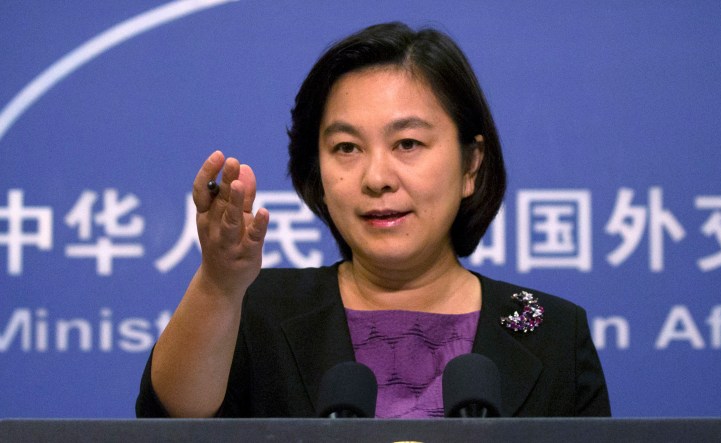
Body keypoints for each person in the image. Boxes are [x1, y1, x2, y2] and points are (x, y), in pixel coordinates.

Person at [136, 22, 610, 418]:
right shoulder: (256, 309)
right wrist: (219, 284)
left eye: (408, 144)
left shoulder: (553, 334)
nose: (377, 178)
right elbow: (172, 422)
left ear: (471, 164)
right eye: (346, 147)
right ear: (318, 173)